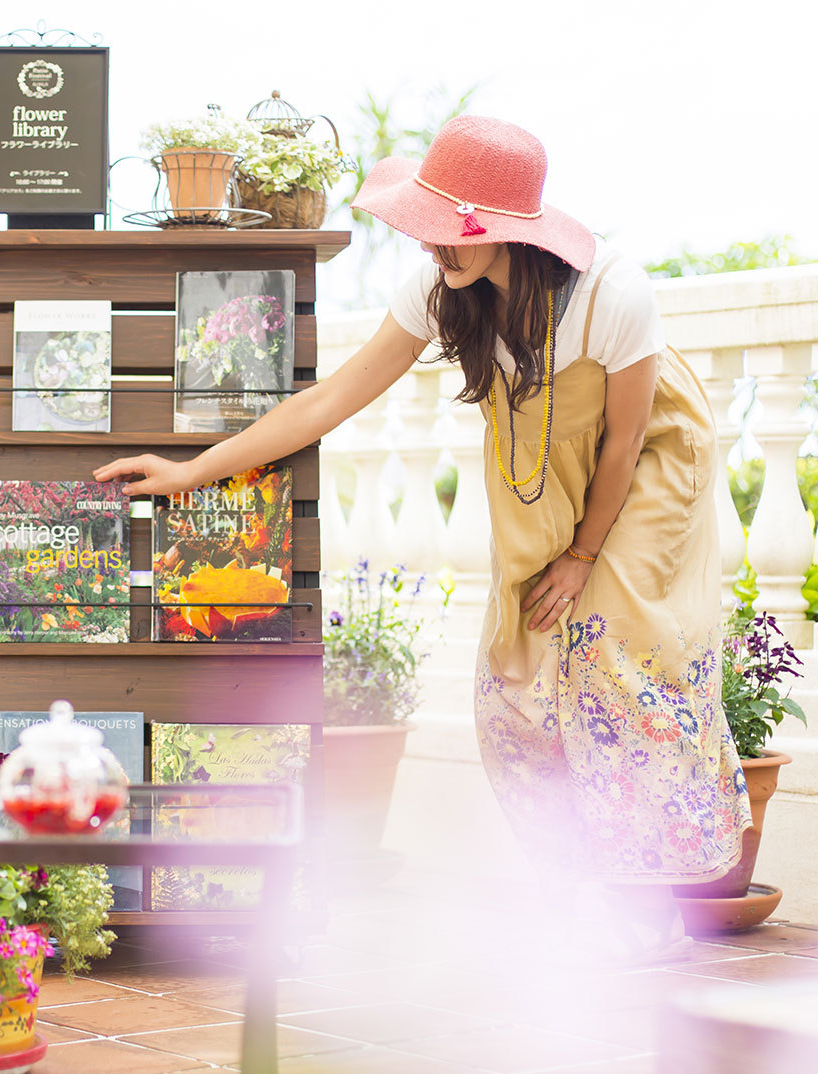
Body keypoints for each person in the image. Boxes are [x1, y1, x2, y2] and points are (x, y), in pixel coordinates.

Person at [96, 115, 751, 962]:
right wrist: (194, 469)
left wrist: (585, 554)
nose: (437, 247)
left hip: (647, 465)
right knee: (512, 684)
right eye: (431, 227)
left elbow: (624, 443)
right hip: (545, 459)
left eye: (457, 232)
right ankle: (580, 882)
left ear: (509, 231)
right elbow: (328, 401)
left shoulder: (612, 293)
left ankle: (647, 903)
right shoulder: (443, 289)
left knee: (618, 657)